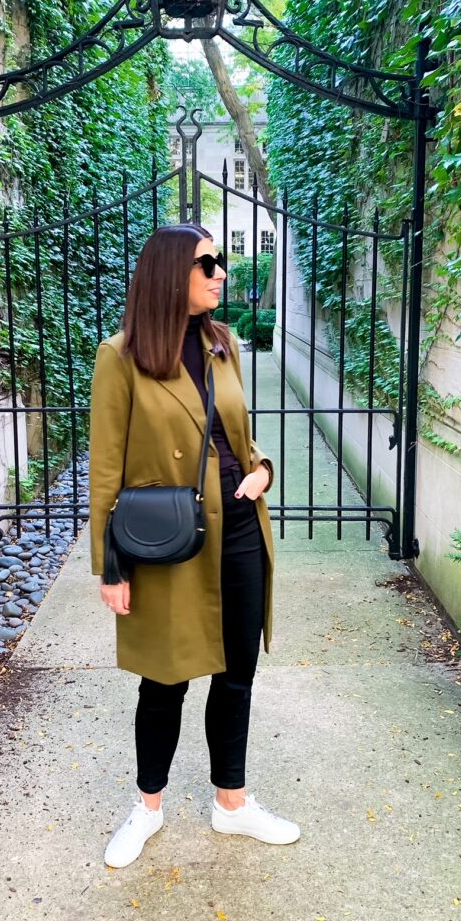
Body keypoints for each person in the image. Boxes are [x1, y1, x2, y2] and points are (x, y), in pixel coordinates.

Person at [88, 223, 300, 868]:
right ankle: (147, 808)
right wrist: (111, 567)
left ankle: (230, 804)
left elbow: (240, 432)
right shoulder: (119, 357)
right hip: (170, 540)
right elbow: (106, 470)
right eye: (207, 262)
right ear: (169, 274)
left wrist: (261, 469)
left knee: (236, 676)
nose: (221, 274)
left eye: (220, 261)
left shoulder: (222, 344)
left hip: (238, 527)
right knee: (165, 678)